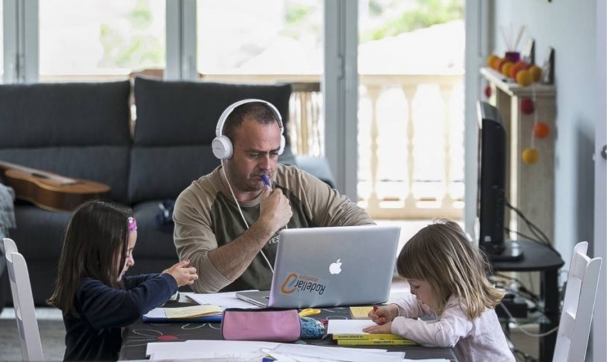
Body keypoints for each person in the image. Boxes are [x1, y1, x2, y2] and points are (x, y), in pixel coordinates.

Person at [173, 100, 373, 293]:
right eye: (254, 154)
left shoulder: (296, 182)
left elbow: (365, 230)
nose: (267, 166)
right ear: (225, 151)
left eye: (274, 153)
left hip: (303, 307)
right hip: (233, 319)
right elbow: (202, 281)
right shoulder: (194, 201)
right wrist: (266, 226)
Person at [47, 200, 198, 361]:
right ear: (98, 253)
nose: (131, 261)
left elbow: (133, 283)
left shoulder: (102, 282)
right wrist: (169, 281)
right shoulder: (86, 290)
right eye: (127, 253)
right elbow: (132, 305)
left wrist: (165, 276)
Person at [363, 219, 514, 362]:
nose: (412, 292)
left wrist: (396, 325)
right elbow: (419, 303)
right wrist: (394, 310)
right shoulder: (444, 293)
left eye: (416, 286)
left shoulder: (464, 303)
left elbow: (444, 335)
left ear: (443, 278)